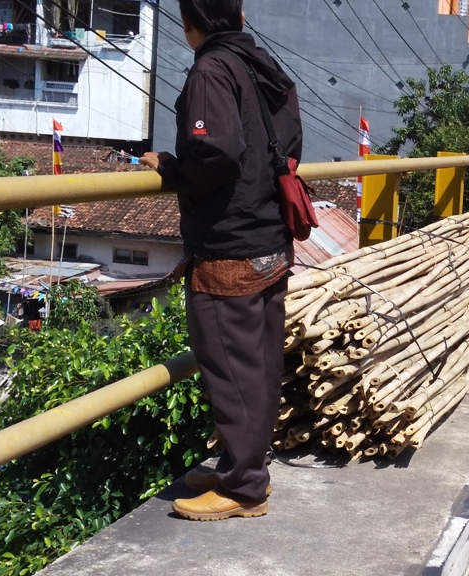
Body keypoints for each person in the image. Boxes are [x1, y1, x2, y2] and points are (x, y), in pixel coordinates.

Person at [139, 0, 302, 522]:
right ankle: (241, 463)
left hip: (229, 246)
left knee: (229, 366)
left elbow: (215, 154)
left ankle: (245, 487)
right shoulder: (259, 61)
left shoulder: (211, 68)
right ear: (241, 17)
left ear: (192, 24)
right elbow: (290, 137)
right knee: (257, 360)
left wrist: (169, 165)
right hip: (269, 235)